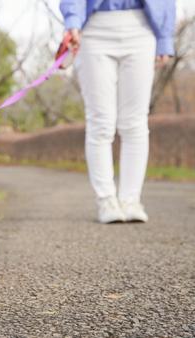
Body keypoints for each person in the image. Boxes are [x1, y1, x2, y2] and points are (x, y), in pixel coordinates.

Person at [59, 0, 175, 223]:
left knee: (135, 122)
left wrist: (165, 38)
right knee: (100, 122)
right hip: (94, 28)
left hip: (142, 26)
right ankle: (106, 200)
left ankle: (131, 200)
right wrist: (72, 19)